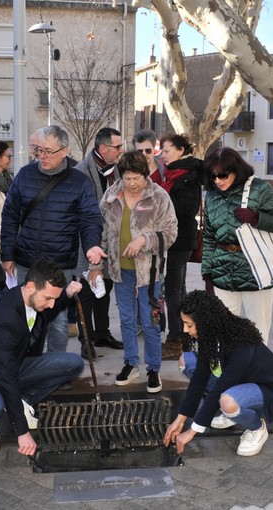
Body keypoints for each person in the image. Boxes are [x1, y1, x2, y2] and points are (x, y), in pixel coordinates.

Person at [0, 259, 85, 455]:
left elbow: (50, 311)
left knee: (73, 364)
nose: (51, 305)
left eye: (54, 299)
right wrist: (21, 431)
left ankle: (17, 401)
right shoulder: (5, 319)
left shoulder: (33, 300)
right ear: (31, 286)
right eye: (48, 298)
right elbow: (5, 377)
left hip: (14, 365)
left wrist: (66, 294)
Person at [0, 125, 105, 354]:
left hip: (60, 263)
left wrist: (93, 245)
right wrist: (7, 253)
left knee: (57, 320)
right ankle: (26, 363)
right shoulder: (25, 175)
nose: (42, 156)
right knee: (25, 316)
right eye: (38, 150)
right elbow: (9, 216)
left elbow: (90, 220)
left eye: (48, 151)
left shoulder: (80, 182)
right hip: (27, 260)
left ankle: (55, 368)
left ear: (64, 151)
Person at [163, 290, 273, 457]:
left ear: (205, 322)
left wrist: (192, 431)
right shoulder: (208, 335)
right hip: (238, 384)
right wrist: (180, 421)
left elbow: (223, 386)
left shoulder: (240, 340)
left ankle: (256, 428)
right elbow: (199, 379)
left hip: (271, 393)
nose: (185, 330)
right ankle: (232, 411)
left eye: (189, 325)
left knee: (227, 401)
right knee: (187, 361)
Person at [97, 151, 177, 393]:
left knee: (151, 321)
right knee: (127, 319)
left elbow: (171, 234)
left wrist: (144, 239)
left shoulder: (159, 197)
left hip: (150, 272)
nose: (131, 183)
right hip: (120, 270)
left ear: (146, 174)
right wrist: (96, 266)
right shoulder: (111, 196)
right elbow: (102, 233)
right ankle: (131, 364)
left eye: (136, 178)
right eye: (127, 178)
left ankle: (154, 368)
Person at [201, 147, 273, 343]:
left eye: (223, 175)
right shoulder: (211, 196)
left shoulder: (258, 189)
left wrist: (255, 218)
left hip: (256, 268)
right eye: (213, 176)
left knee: (257, 331)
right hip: (222, 270)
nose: (218, 181)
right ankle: (227, 372)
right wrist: (207, 273)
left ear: (236, 170)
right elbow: (209, 236)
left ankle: (257, 372)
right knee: (221, 331)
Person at [74, 127, 126, 358]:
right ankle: (86, 340)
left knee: (105, 289)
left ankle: (102, 333)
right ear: (103, 148)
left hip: (109, 241)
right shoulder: (81, 172)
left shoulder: (115, 170)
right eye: (117, 147)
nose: (121, 151)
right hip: (86, 241)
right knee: (86, 290)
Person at [151, 134, 202, 360]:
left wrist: (160, 208)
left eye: (167, 150)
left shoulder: (187, 176)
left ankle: (175, 338)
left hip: (179, 240)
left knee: (173, 291)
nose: (163, 155)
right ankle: (184, 335)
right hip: (172, 239)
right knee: (177, 289)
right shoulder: (171, 174)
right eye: (162, 151)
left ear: (181, 150)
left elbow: (186, 210)